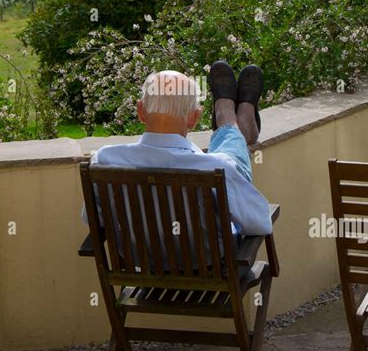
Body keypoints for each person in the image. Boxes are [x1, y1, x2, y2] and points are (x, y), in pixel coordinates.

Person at [82, 61, 272, 269]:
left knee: (228, 159)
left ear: (140, 111)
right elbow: (259, 222)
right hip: (209, 269)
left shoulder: (104, 161)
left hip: (146, 270)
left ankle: (229, 117)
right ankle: (234, 121)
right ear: (194, 118)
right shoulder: (217, 168)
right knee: (232, 158)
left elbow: (93, 219)